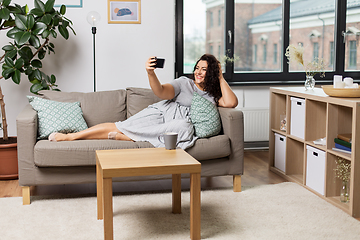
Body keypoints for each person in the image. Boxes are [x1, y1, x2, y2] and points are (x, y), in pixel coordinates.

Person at [49, 54, 238, 149]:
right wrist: (150, 73)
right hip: (161, 114)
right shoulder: (184, 83)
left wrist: (221, 77)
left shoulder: (213, 95)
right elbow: (161, 92)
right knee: (118, 126)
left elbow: (231, 103)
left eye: (204, 69)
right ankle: (71, 137)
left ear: (211, 72)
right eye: (197, 67)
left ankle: (132, 137)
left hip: (176, 125)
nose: (198, 72)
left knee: (183, 127)